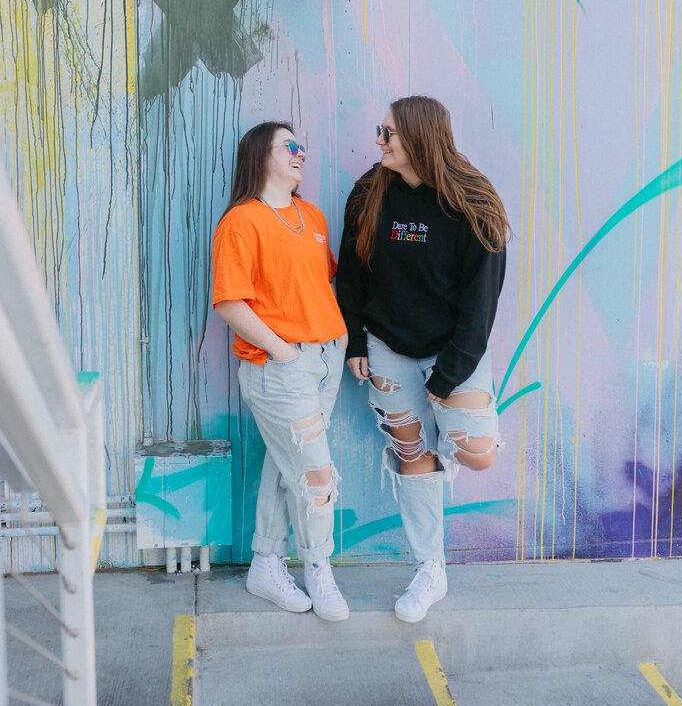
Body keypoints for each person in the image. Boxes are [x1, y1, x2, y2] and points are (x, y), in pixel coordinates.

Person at [336, 96, 510, 622]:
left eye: (388, 133)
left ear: (419, 138)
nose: (379, 141)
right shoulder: (369, 193)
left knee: (476, 450)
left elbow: (482, 301)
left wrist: (448, 375)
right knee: (412, 454)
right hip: (388, 345)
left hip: (452, 347)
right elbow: (351, 274)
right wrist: (357, 341)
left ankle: (447, 434)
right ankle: (430, 568)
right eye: (380, 131)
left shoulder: (473, 202)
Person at [212, 121, 350, 621]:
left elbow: (321, 283)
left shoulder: (311, 216)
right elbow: (229, 300)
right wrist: (283, 351)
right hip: (280, 365)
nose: (301, 152)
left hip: (325, 357)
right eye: (289, 145)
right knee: (314, 474)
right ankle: (319, 567)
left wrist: (334, 340)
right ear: (261, 155)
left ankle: (265, 563)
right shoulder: (241, 222)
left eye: (303, 146)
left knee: (287, 460)